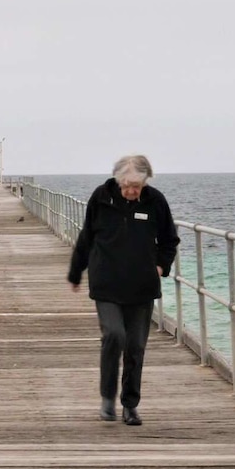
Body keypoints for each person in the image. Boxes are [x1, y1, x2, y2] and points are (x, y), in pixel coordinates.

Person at [67, 155, 180, 425]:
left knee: (135, 347)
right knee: (114, 335)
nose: (132, 191)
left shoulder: (155, 201)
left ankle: (130, 405)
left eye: (137, 187)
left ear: (145, 183)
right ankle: (107, 398)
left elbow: (169, 239)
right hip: (106, 283)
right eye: (128, 185)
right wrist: (76, 272)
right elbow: (87, 237)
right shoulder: (101, 198)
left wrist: (162, 266)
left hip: (141, 286)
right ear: (118, 181)